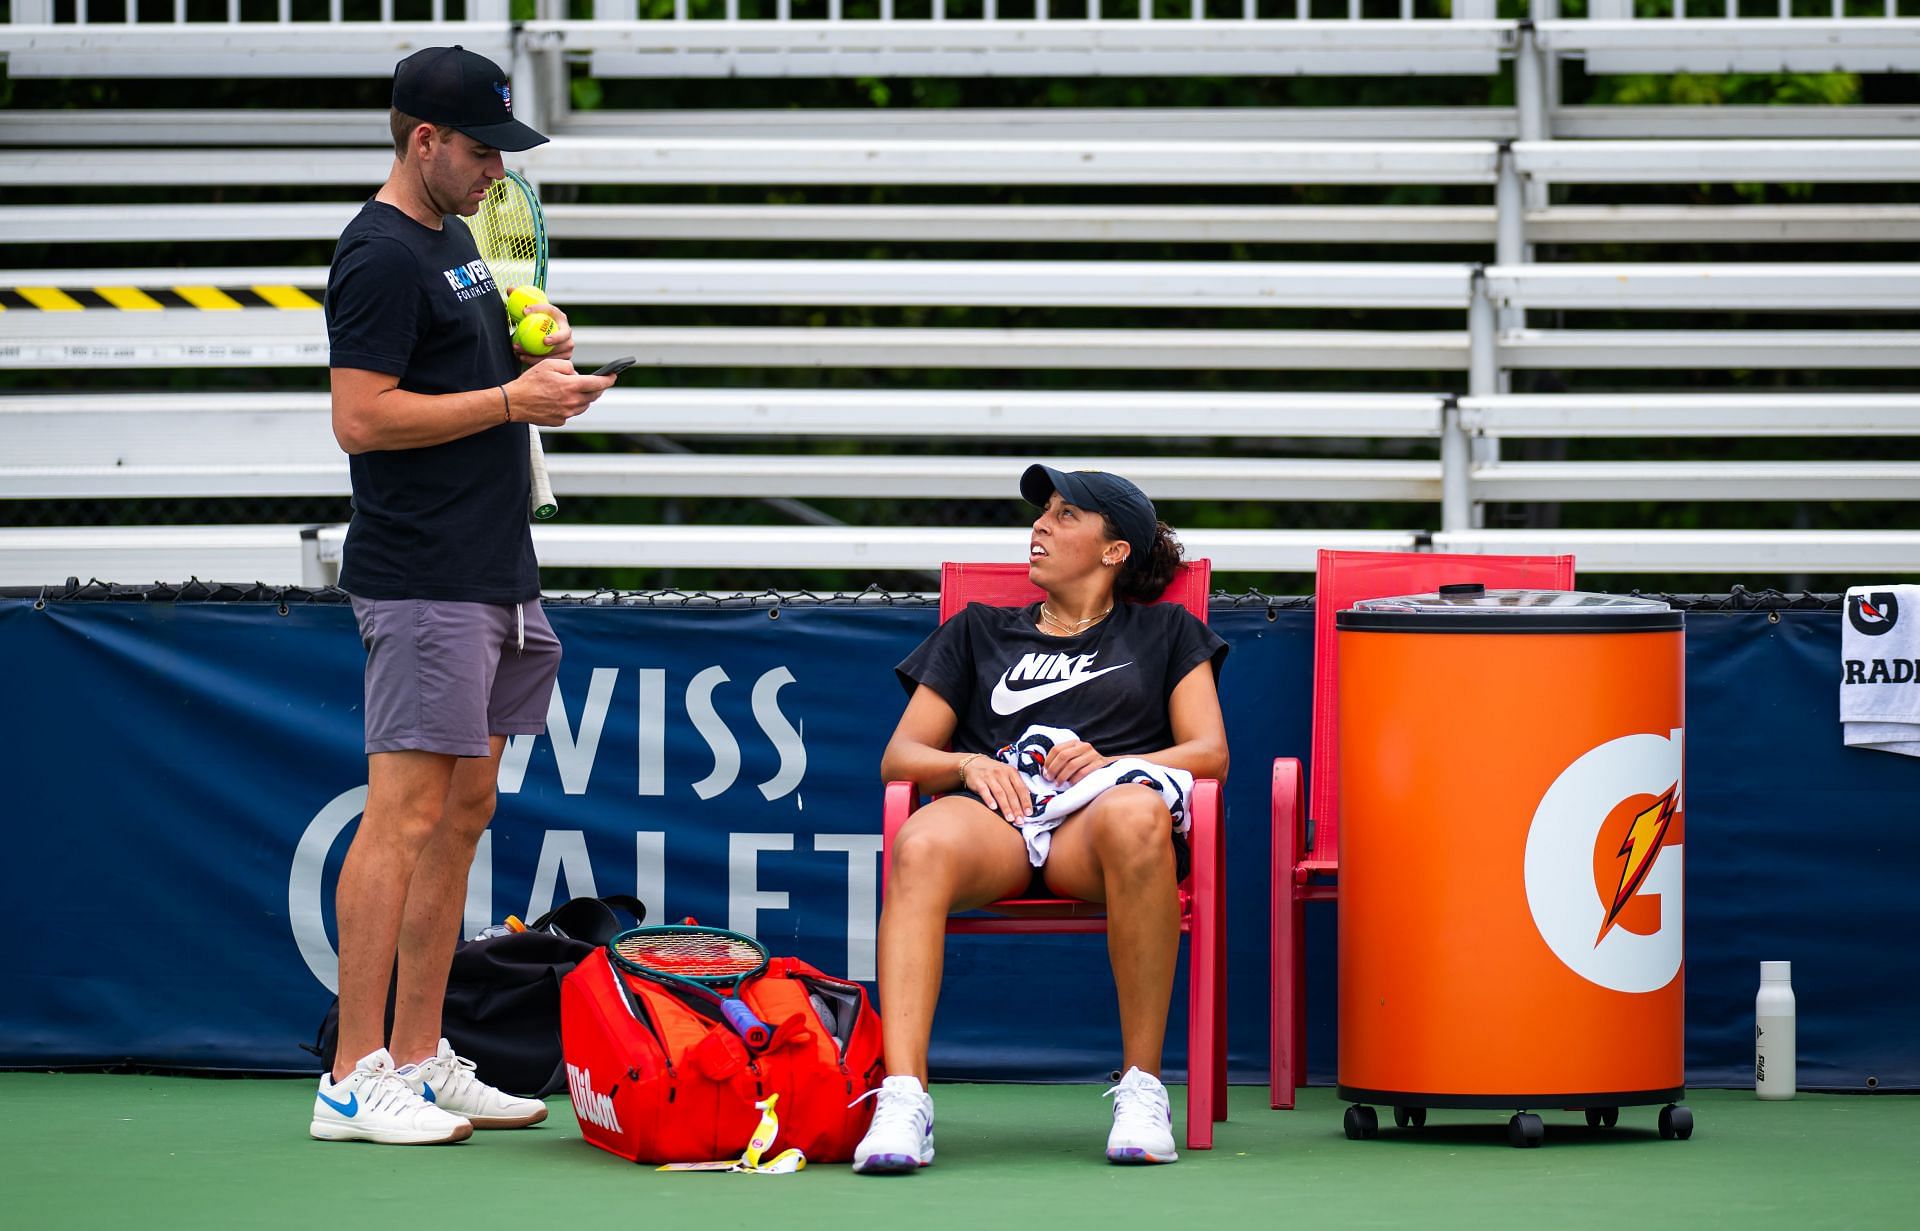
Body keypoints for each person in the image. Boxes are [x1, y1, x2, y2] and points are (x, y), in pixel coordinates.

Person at [313, 45, 618, 1145]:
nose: (498, 168)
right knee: (401, 817)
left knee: (466, 812)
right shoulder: (380, 254)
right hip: (423, 576)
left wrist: (543, 363)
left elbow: (479, 384)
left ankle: (424, 1053)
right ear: (421, 140)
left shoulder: (456, 242)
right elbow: (362, 419)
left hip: (496, 566)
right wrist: (507, 398)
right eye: (483, 148)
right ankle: (353, 1076)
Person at [854, 465, 1230, 1172]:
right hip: (998, 821)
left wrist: (1111, 759)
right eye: (1042, 513)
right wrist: (966, 765)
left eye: (1064, 516)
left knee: (1138, 815)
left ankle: (1142, 1087)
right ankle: (903, 1097)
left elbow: (1209, 752)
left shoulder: (1167, 631)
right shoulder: (977, 630)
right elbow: (901, 756)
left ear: (1114, 550)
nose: (1040, 526)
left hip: (1095, 829)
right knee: (921, 839)